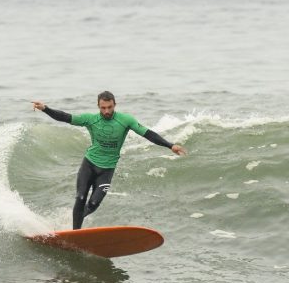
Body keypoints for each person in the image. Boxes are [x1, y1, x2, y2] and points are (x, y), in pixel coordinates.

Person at [32, 91, 186, 230]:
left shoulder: (125, 120)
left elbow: (147, 133)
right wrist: (45, 108)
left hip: (107, 170)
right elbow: (65, 117)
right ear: (98, 106)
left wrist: (170, 145)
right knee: (80, 198)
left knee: (93, 204)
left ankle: (74, 221)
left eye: (109, 107)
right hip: (89, 164)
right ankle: (75, 231)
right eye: (103, 108)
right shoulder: (90, 119)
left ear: (115, 105)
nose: (106, 111)